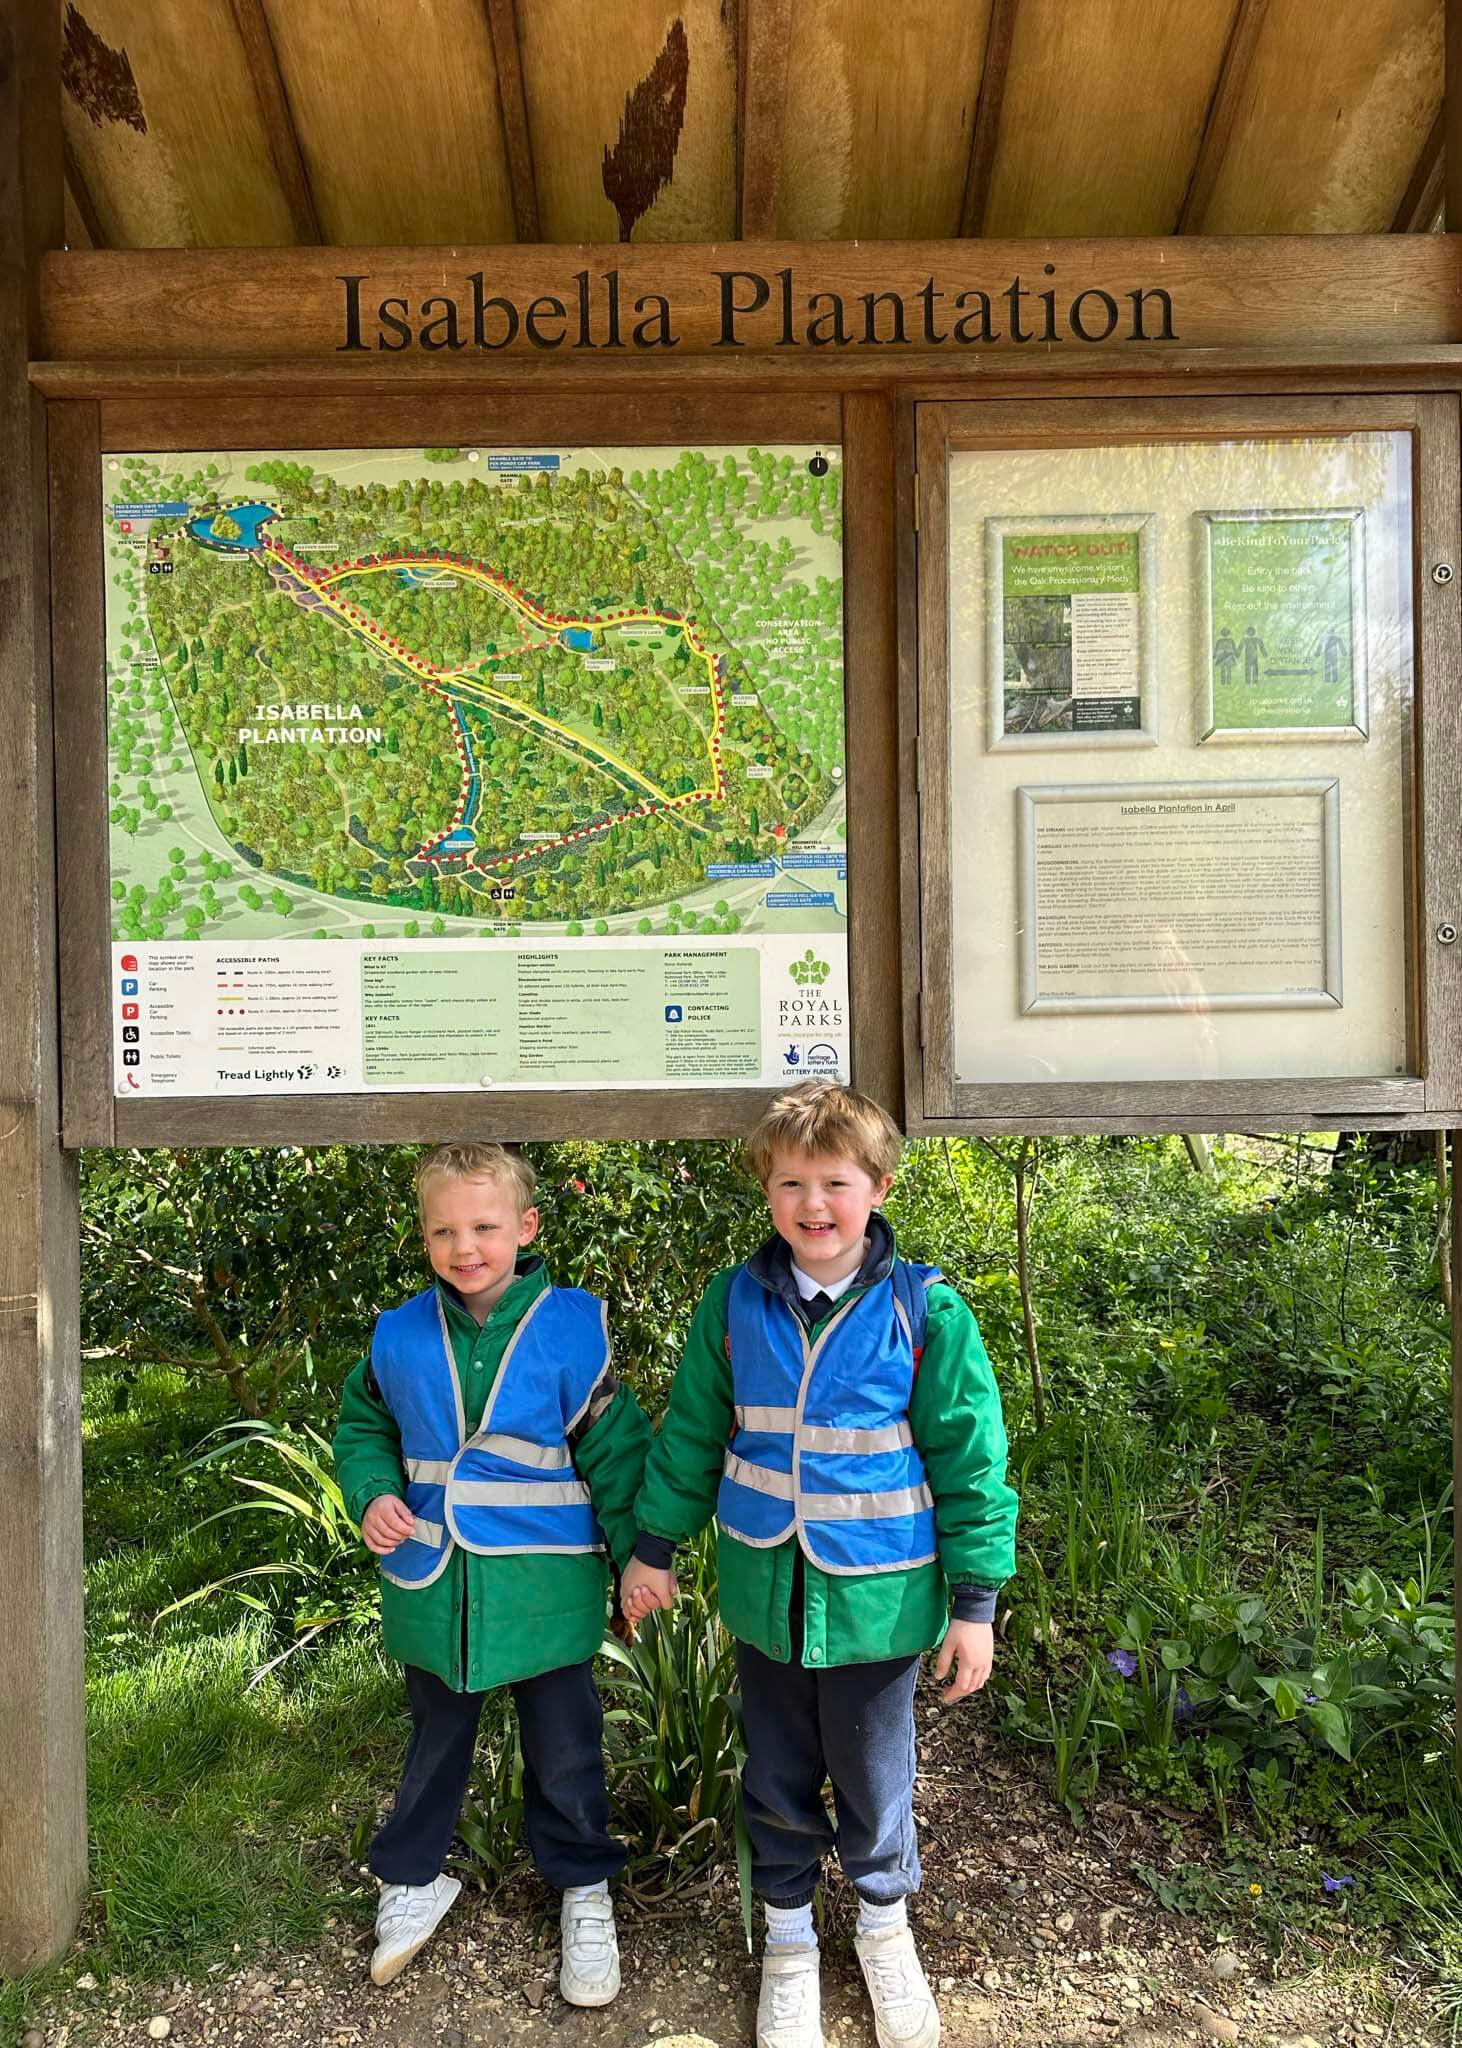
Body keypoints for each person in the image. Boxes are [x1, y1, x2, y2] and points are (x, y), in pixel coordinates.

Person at [621, 1082, 1018, 2048]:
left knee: (877, 1784)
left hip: (880, 1607)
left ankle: (885, 1931)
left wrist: (976, 1604)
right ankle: (789, 1942)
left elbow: (972, 1462)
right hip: (765, 1599)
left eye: (835, 1182)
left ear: (878, 1185)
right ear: (766, 1190)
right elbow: (691, 1437)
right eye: (791, 1182)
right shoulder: (734, 1302)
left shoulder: (927, 1311)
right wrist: (654, 1549)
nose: (813, 1204)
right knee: (779, 1779)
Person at [333, 1143, 650, 2002]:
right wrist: (369, 1494)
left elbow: (616, 1455)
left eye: (483, 1227)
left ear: (527, 1227)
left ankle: (584, 1888)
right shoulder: (398, 1332)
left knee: (566, 1746)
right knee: (434, 1738)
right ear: (424, 1236)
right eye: (444, 1230)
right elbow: (363, 1428)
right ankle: (414, 1877)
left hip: (547, 1588)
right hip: (434, 1581)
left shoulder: (574, 1324)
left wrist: (639, 1561)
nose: (464, 1247)